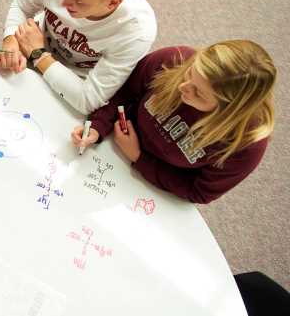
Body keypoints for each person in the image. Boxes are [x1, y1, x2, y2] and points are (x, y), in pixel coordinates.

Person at [71, 41, 275, 204]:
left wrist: (138, 157)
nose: (184, 87)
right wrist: (97, 127)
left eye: (199, 93)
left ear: (228, 109)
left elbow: (199, 191)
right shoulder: (174, 60)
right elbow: (123, 93)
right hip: (110, 147)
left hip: (149, 189)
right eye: (190, 74)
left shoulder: (246, 143)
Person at [0, 0, 156, 114]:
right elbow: (22, 5)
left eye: (78, 1)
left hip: (75, 83)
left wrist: (39, 55)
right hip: (31, 47)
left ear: (112, 3)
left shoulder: (136, 31)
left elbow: (88, 100)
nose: (64, 3)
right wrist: (10, 39)